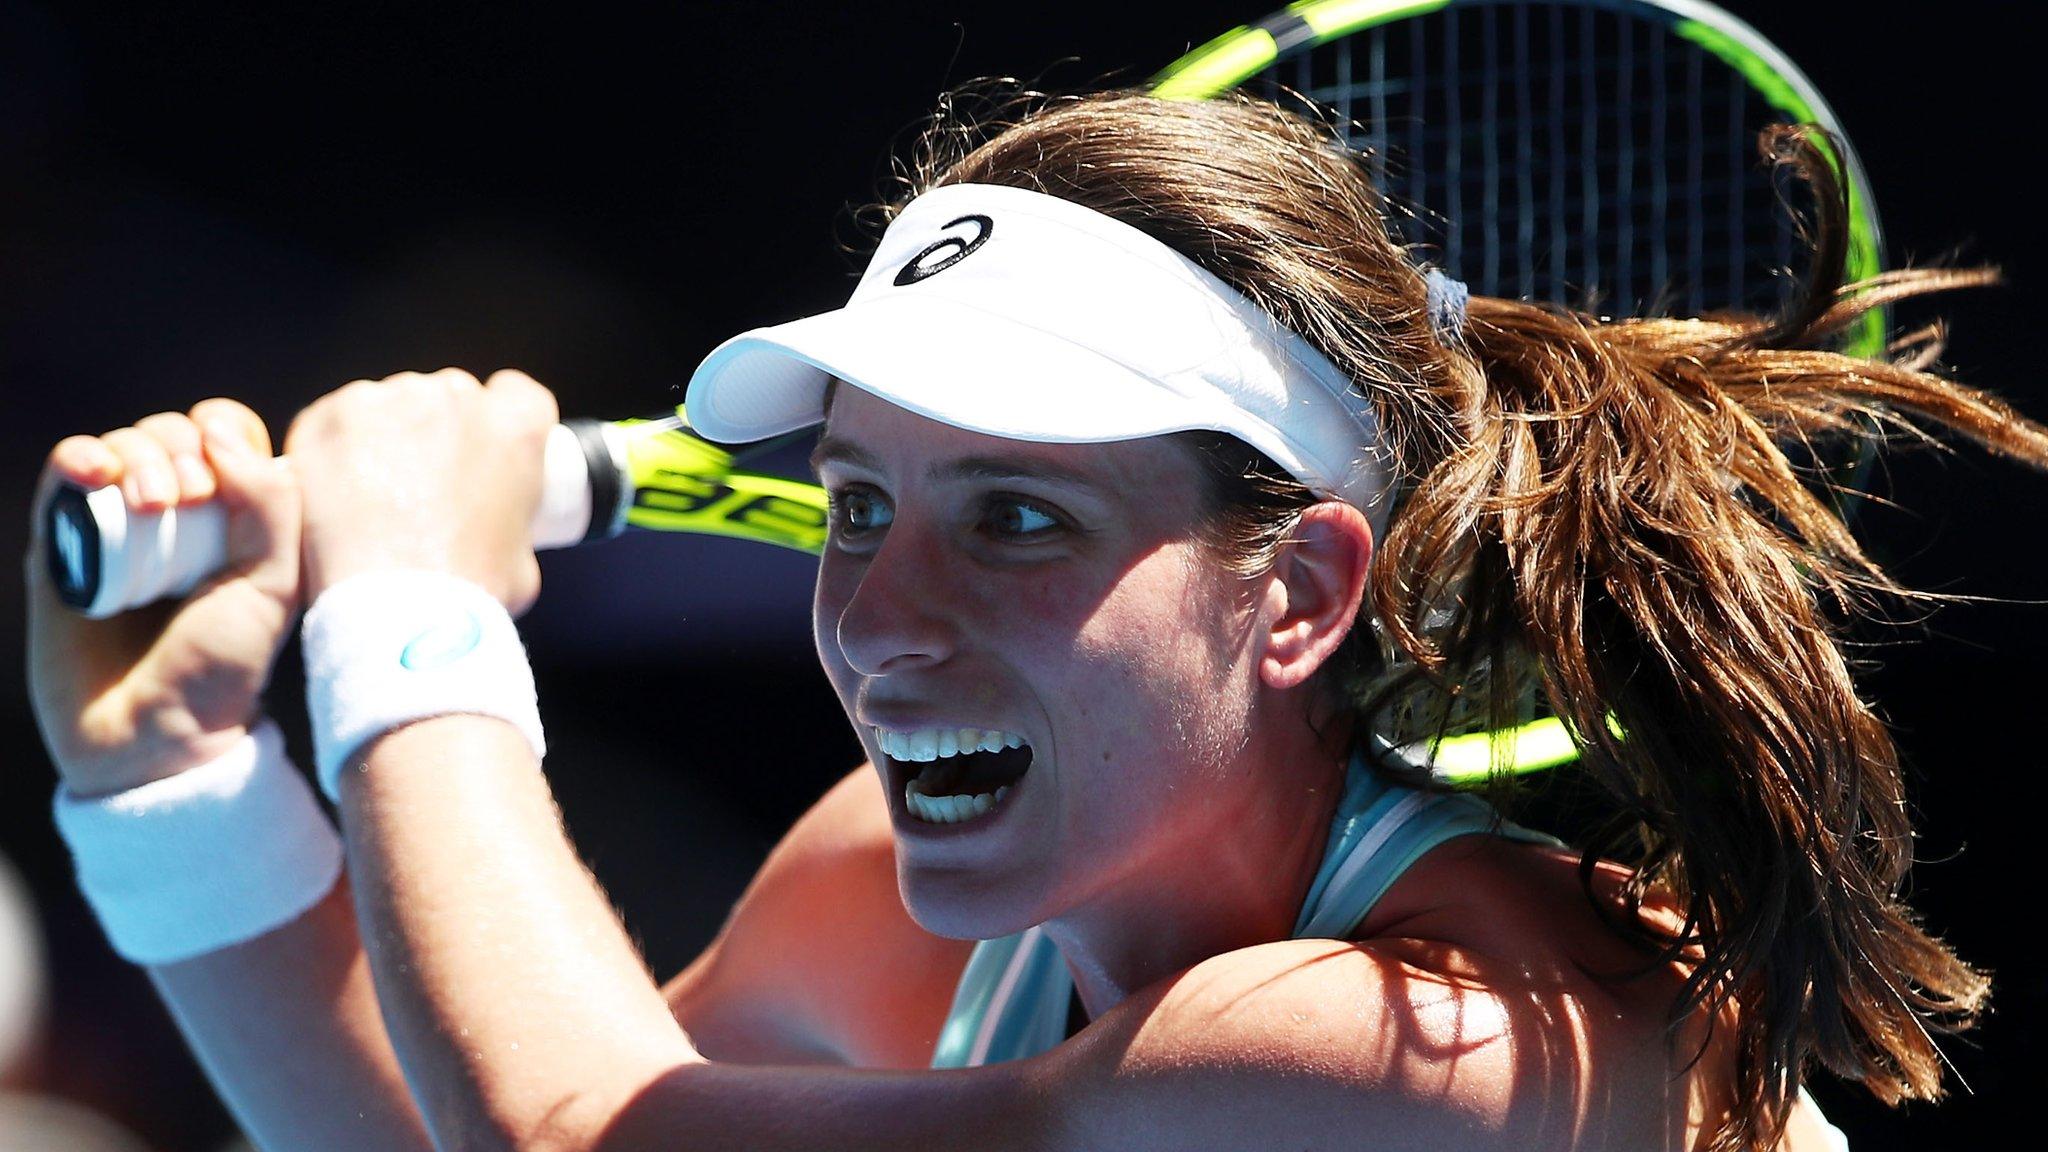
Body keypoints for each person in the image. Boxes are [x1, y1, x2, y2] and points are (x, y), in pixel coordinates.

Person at [27, 90, 2048, 1152]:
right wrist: (174, 779)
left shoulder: (1427, 1050)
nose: (881, 617)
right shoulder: (887, 908)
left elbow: (570, 1135)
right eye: (857, 505)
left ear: (1300, 590)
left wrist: (406, 615)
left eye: (1012, 516)